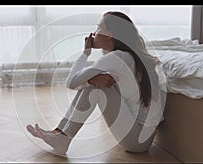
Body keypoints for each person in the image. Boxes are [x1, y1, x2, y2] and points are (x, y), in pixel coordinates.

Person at [27, 11, 165, 155]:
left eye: (99, 28)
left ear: (110, 34)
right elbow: (79, 82)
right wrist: (91, 79)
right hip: (143, 138)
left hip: (137, 141)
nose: (94, 32)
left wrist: (85, 53)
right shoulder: (128, 56)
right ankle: (60, 134)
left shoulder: (117, 57)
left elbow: (71, 82)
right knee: (97, 82)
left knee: (98, 86)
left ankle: (62, 138)